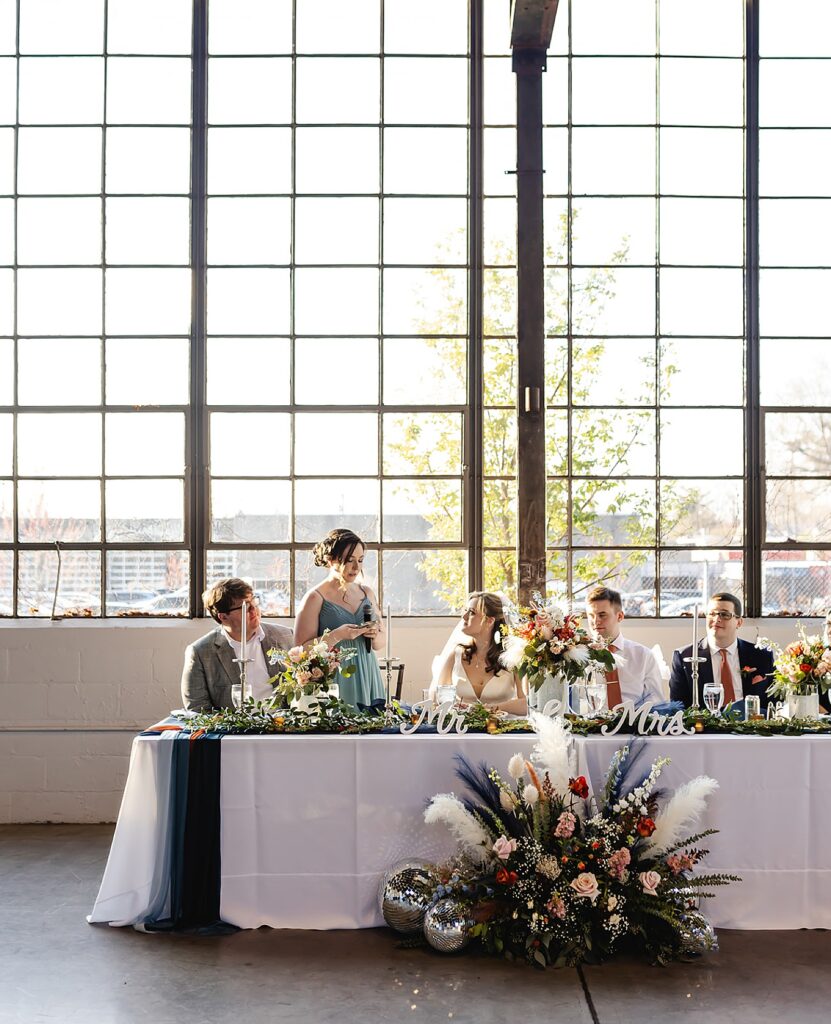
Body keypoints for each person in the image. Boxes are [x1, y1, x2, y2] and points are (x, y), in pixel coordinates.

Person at [294, 528, 385, 710]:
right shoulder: (315, 598)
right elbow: (300, 651)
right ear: (331, 560)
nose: (356, 567)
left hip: (368, 671)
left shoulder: (366, 592)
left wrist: (374, 635)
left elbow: (380, 642)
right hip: (335, 679)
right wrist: (337, 635)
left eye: (360, 560)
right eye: (349, 560)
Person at [181, 578, 294, 712]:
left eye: (254, 602)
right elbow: (197, 706)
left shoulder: (286, 636)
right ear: (223, 617)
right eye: (245, 607)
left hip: (283, 728)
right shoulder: (201, 652)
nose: (254, 610)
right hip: (233, 731)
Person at [669, 592, 773, 710]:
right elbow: (678, 707)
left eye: (725, 614)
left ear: (739, 622)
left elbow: (772, 703)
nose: (717, 619)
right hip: (705, 727)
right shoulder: (685, 657)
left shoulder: (761, 656)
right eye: (712, 614)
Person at [432, 591, 527, 715]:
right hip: (462, 731)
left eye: (471, 612)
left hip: (501, 730)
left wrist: (488, 709)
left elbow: (525, 704)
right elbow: (437, 699)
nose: (464, 617)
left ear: (489, 621)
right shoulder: (456, 655)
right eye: (465, 611)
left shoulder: (514, 657)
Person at [585, 585, 665, 709]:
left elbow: (656, 703)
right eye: (591, 615)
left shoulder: (643, 656)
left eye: (602, 615)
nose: (596, 621)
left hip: (635, 725)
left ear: (620, 616)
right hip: (589, 726)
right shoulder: (580, 656)